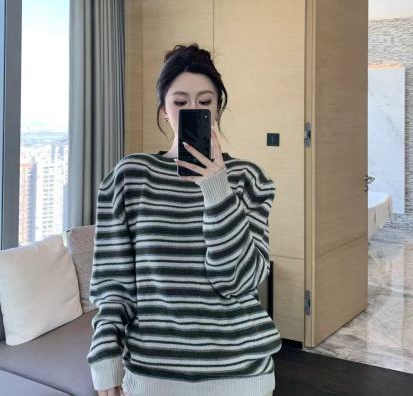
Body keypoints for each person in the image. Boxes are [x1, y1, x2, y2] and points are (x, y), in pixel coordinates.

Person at [87, 43, 282, 396]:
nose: (193, 110)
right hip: (152, 375)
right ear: (164, 110)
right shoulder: (131, 176)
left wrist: (216, 188)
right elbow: (113, 284)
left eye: (205, 102)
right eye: (180, 102)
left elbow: (239, 281)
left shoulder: (248, 178)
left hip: (242, 375)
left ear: (218, 108)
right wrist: (105, 359)